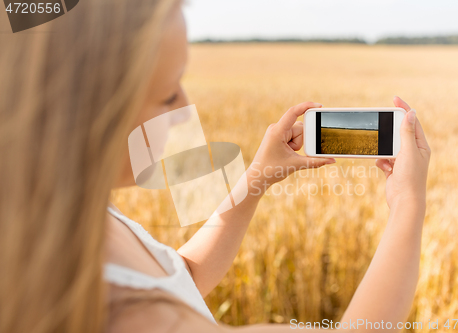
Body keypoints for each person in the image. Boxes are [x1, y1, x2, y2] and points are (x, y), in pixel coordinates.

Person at [0, 0, 431, 332]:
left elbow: (180, 278)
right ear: (81, 115)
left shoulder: (72, 221)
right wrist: (408, 204)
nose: (188, 110)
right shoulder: (130, 316)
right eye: (169, 94)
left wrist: (259, 175)